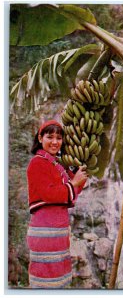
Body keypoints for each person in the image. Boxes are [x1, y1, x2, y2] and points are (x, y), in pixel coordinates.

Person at [26, 120, 88, 288]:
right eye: (50, 137)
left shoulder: (57, 164)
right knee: (45, 277)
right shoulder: (37, 163)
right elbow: (49, 194)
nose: (55, 142)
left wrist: (78, 178)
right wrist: (74, 183)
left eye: (59, 138)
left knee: (58, 275)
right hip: (44, 230)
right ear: (40, 138)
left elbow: (70, 191)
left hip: (58, 230)